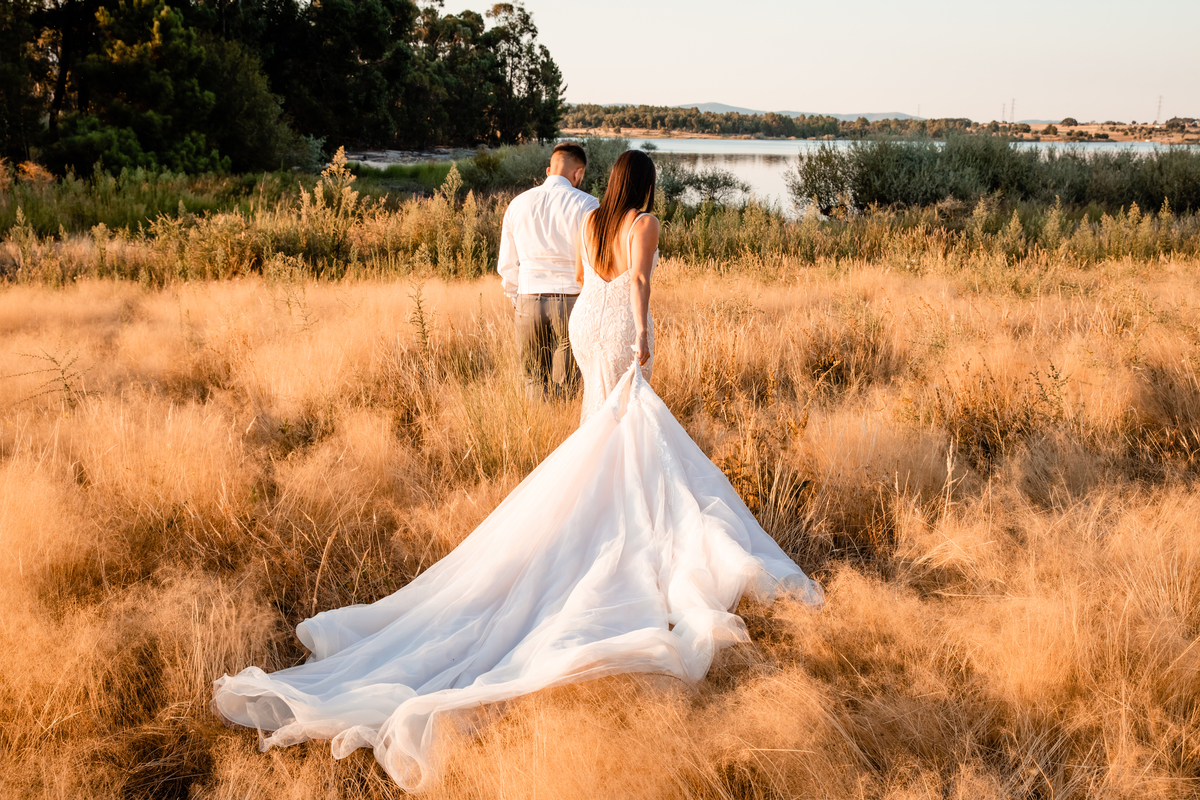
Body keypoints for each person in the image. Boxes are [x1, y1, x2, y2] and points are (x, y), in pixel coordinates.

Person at [211, 150, 823, 794]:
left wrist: (608, 320)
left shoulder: (592, 223)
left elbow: (586, 280)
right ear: (643, 184)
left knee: (605, 421)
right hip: (616, 324)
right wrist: (643, 334)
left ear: (606, 181)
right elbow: (639, 283)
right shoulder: (643, 223)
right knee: (631, 416)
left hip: (588, 320)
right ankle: (624, 509)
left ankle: (603, 495)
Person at [497, 141, 598, 400]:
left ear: (548, 170)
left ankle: (539, 433)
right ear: (579, 173)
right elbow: (594, 260)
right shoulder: (588, 205)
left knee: (532, 379)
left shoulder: (517, 204)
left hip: (529, 298)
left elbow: (507, 264)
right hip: (572, 301)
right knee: (569, 382)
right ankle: (563, 433)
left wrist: (518, 299)